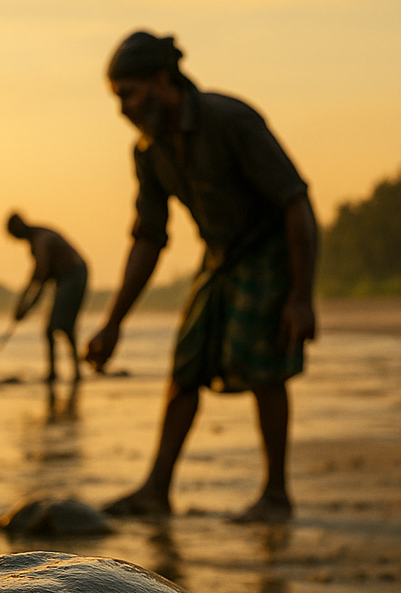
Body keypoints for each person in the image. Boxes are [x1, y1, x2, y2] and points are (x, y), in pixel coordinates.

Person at [85, 32, 317, 524]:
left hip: (271, 247)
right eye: (116, 97)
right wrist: (113, 323)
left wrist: (300, 297)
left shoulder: (228, 119)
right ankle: (156, 489)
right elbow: (148, 238)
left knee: (265, 365)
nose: (122, 108)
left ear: (162, 80)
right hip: (219, 256)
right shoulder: (149, 153)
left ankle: (276, 495)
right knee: (185, 365)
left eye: (128, 93)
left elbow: (295, 202)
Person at [4, 211, 90, 381]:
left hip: (73, 276)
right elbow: (34, 279)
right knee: (64, 326)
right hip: (68, 278)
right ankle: (72, 371)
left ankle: (55, 372)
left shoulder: (41, 241)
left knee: (53, 327)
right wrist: (21, 307)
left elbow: (40, 283)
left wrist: (25, 309)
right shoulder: (36, 240)